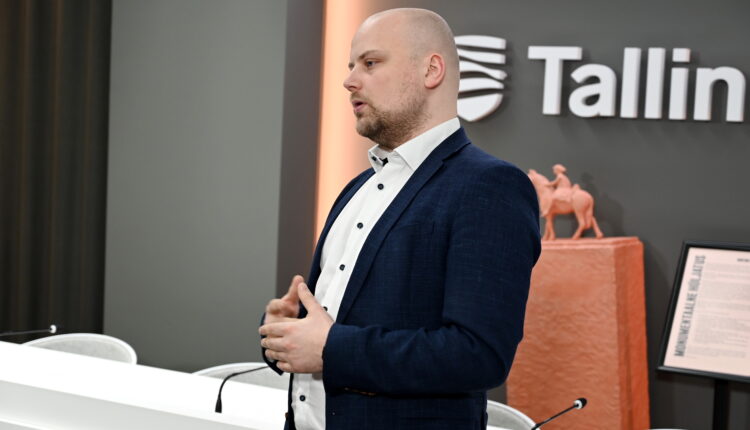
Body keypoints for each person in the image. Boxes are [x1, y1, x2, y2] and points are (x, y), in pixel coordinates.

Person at [259, 8, 540, 430]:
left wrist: (332, 348)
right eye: (351, 66)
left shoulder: (490, 186)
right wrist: (288, 333)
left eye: (370, 63)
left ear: (431, 70)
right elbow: (335, 329)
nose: (350, 81)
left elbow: (479, 354)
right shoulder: (357, 187)